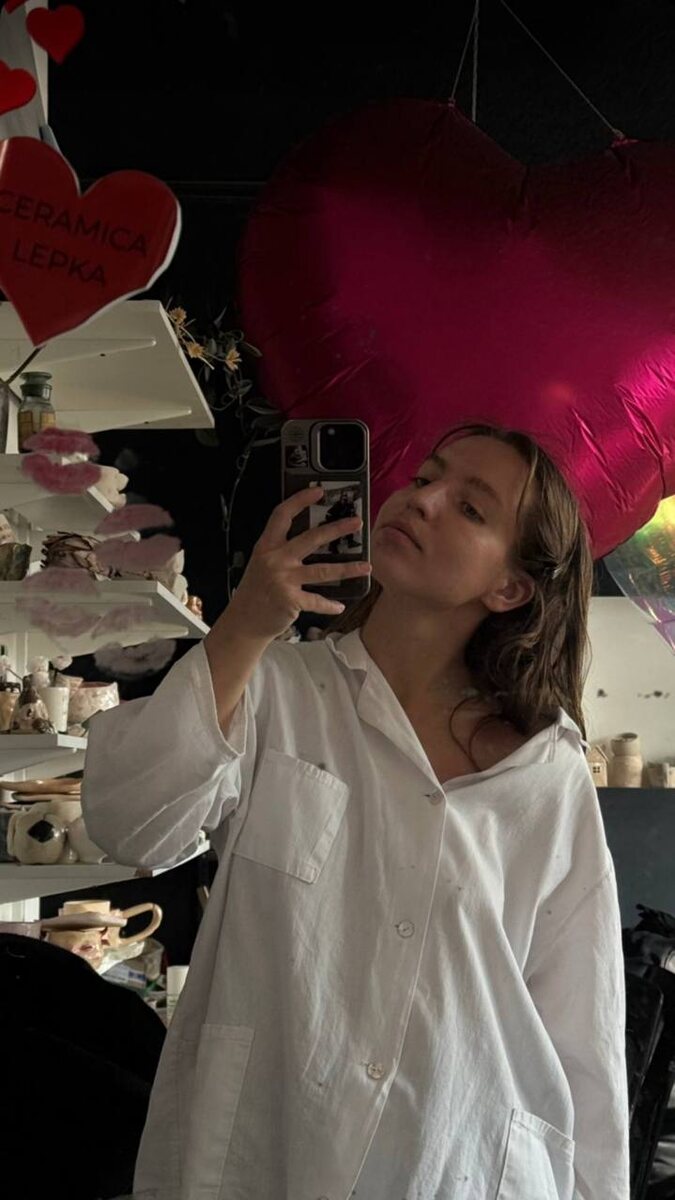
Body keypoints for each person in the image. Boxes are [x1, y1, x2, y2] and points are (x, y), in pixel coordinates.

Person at [81, 421, 630, 1200]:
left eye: (470, 508)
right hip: (269, 1149)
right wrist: (243, 625)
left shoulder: (542, 770)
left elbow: (583, 1023)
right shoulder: (273, 689)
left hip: (456, 1158)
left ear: (508, 587)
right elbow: (132, 824)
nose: (422, 499)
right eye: (425, 477)